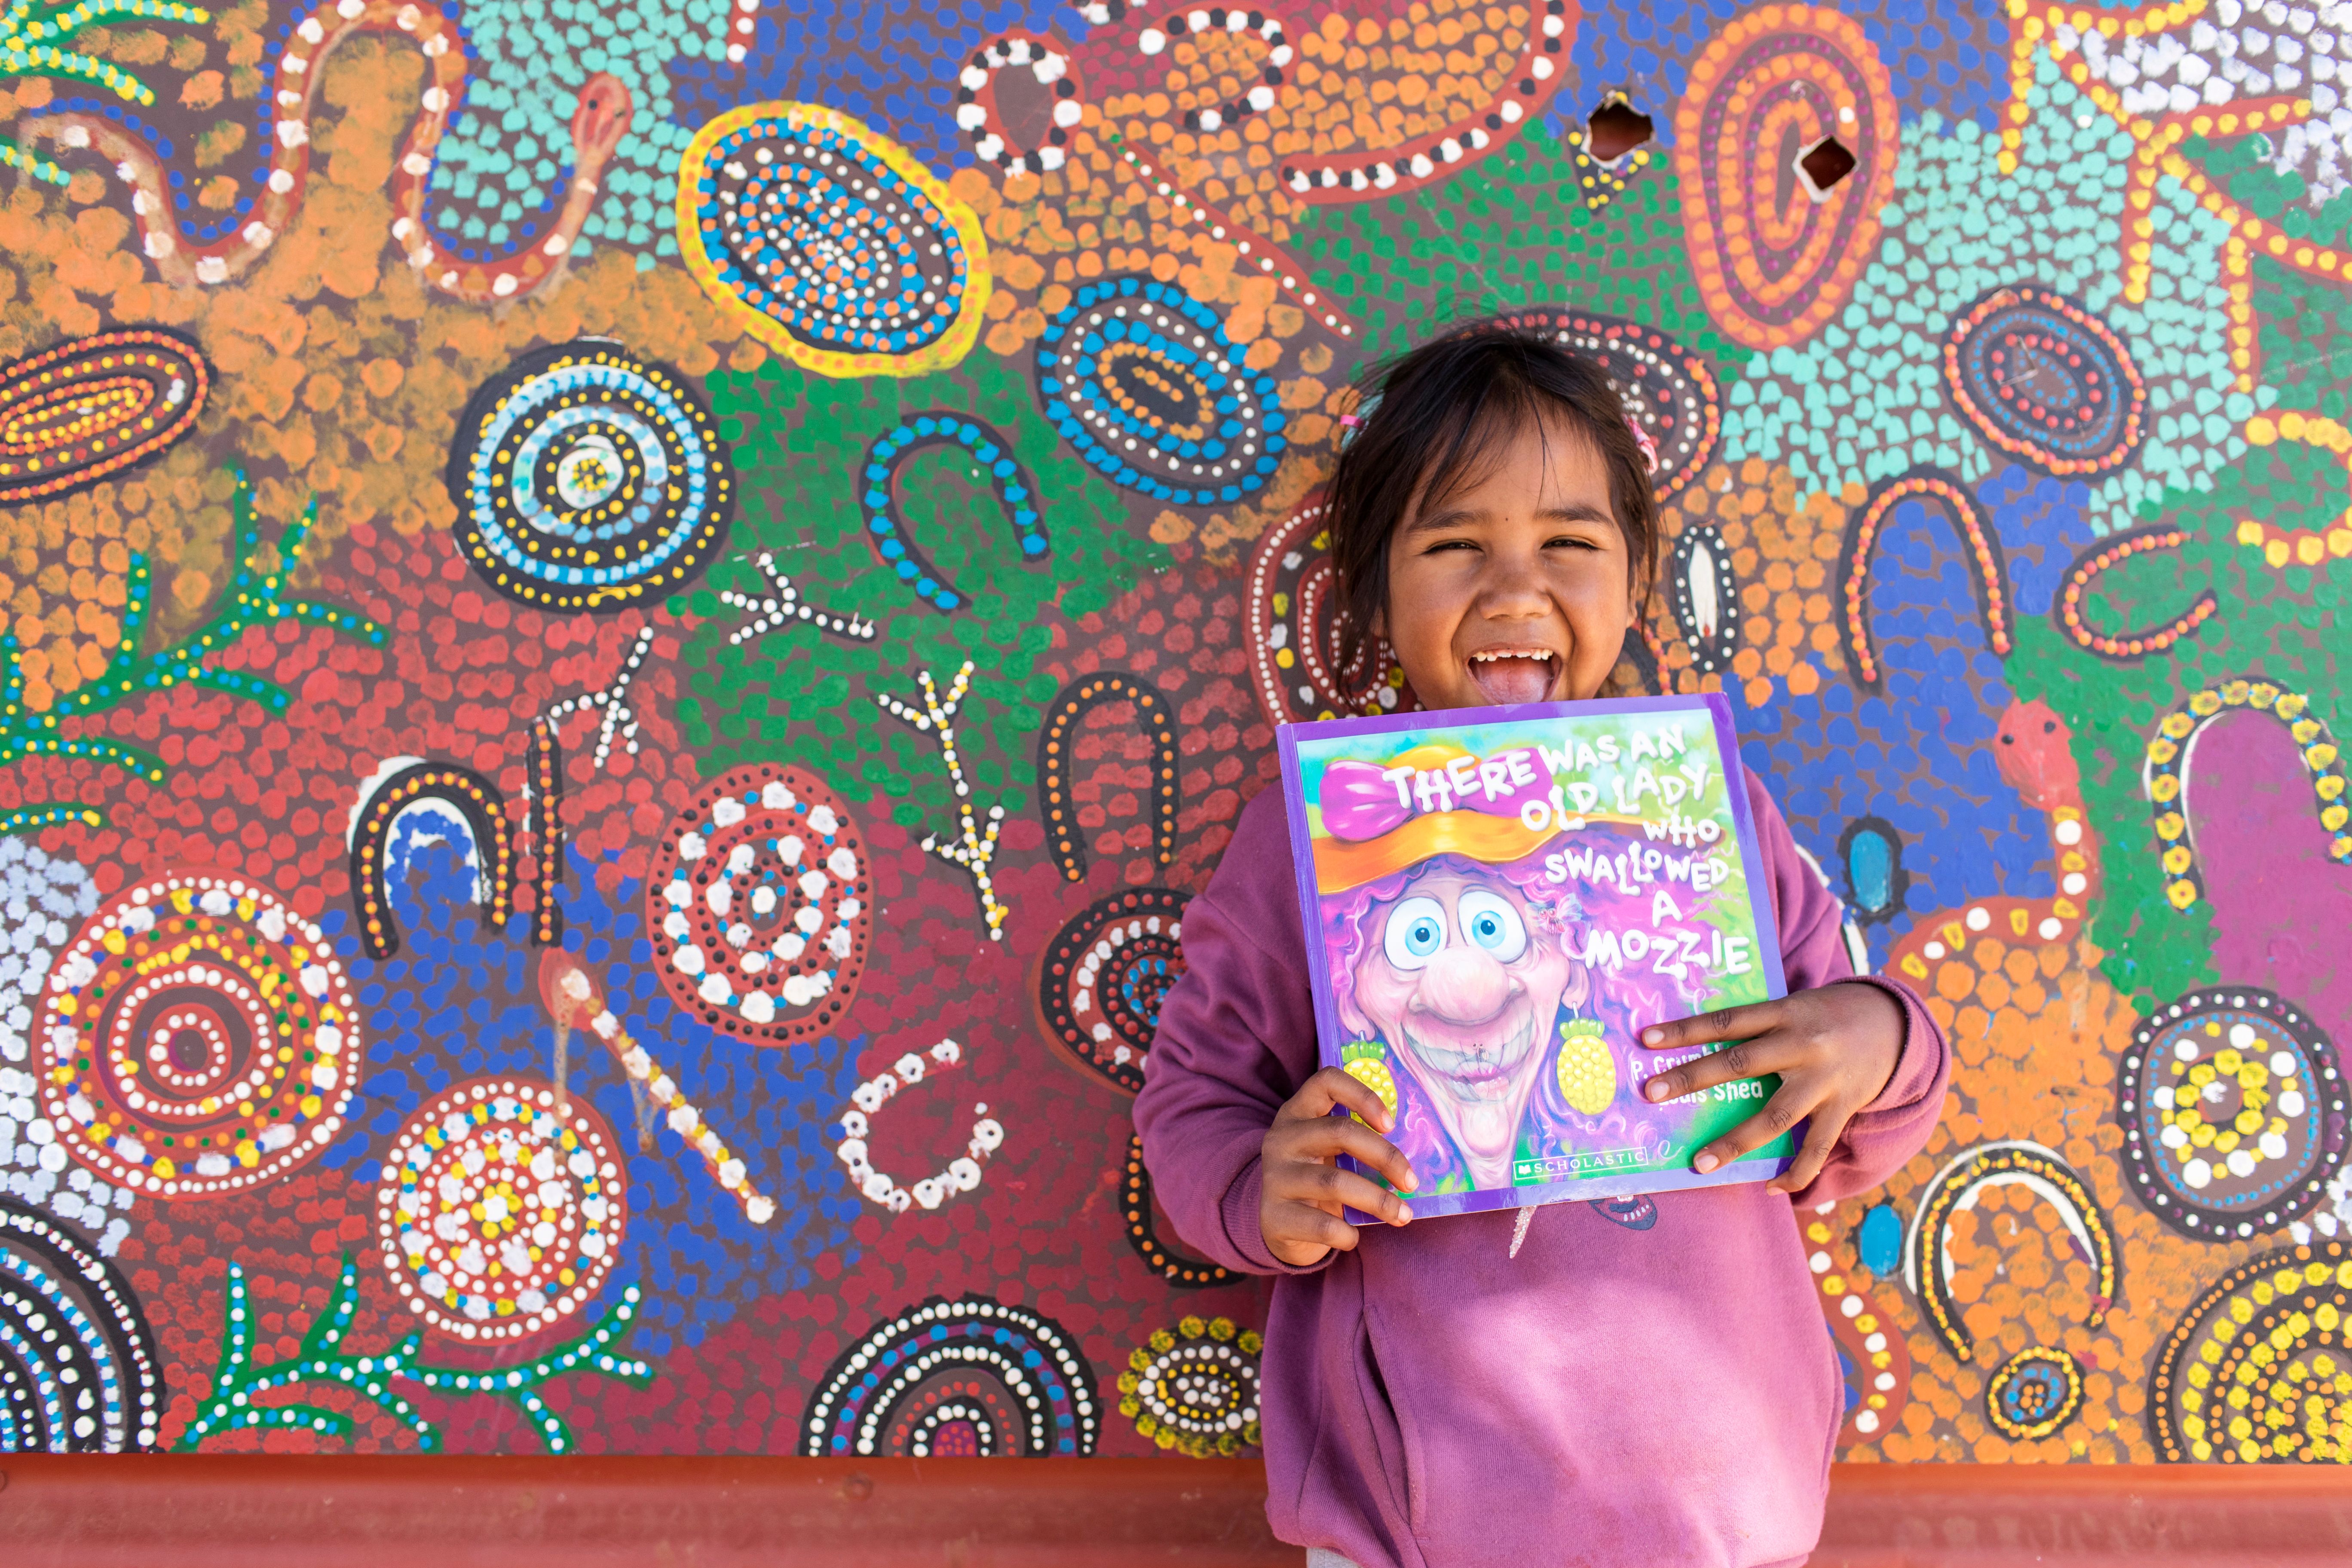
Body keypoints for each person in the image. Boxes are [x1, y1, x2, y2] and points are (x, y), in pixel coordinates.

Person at [1133, 322, 1951, 1568]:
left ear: (1633, 579)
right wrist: (1264, 1192)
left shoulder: (1710, 810)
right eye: (1454, 545)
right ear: (1374, 589)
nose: (1515, 591)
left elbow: (1847, 1127)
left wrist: (1876, 1041)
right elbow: (1193, 1105)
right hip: (1412, 1521)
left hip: (1726, 1510)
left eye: (1569, 544)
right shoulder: (1307, 838)